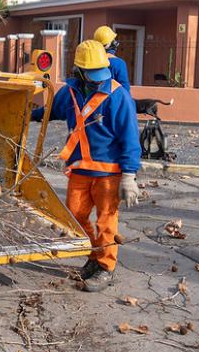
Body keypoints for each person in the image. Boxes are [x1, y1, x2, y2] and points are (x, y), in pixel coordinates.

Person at [32, 40, 141, 292]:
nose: (96, 80)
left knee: (106, 222)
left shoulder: (118, 96)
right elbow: (50, 111)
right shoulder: (69, 93)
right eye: (90, 75)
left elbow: (130, 138)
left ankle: (105, 267)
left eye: (99, 74)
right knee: (75, 217)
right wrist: (29, 113)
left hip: (109, 174)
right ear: (78, 72)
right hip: (80, 171)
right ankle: (94, 255)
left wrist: (129, 175)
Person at [93, 25, 131, 93]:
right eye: (113, 40)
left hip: (94, 100)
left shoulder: (91, 61)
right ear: (107, 44)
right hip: (113, 100)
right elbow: (125, 89)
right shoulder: (119, 63)